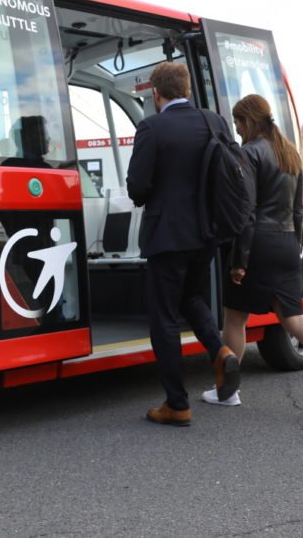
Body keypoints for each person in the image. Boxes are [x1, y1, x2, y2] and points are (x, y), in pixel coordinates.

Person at [203, 94, 303, 420]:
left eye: (238, 124)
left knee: (234, 317)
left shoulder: (250, 154)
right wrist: (299, 252)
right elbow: (296, 212)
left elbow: (247, 211)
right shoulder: (289, 153)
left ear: (248, 121)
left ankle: (228, 391)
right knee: (297, 321)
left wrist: (239, 260)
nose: (237, 130)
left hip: (259, 246)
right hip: (288, 245)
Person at [126, 62, 240, 427]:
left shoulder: (152, 127)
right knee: (193, 299)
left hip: (166, 236)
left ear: (155, 94)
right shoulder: (215, 122)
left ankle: (177, 404)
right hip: (207, 233)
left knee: (164, 318)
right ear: (188, 89)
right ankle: (219, 351)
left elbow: (137, 189)